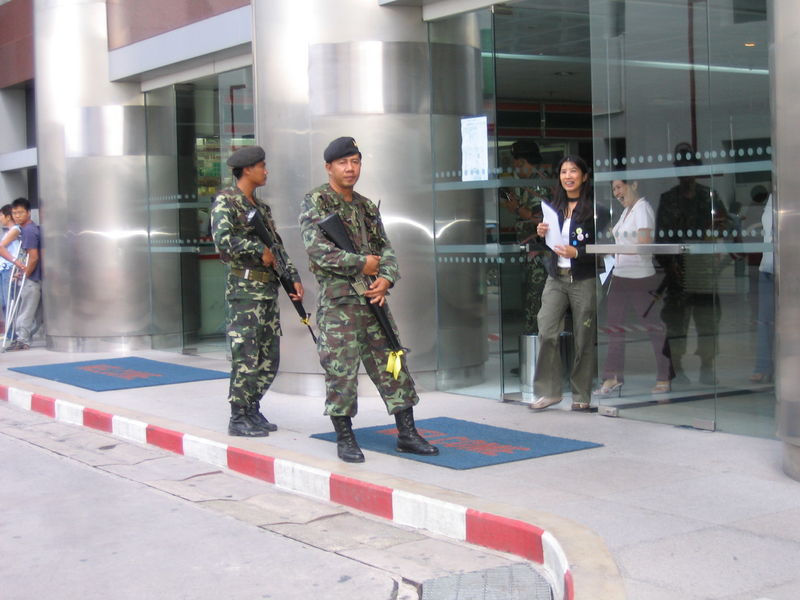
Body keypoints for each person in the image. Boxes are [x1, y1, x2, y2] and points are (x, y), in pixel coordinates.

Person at [299, 136, 439, 463]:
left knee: (393, 365)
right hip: (339, 307)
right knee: (341, 372)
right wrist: (362, 264)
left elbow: (385, 246)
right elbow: (318, 251)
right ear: (328, 167)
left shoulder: (365, 206)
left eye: (356, 162)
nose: (350, 168)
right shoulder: (316, 201)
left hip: (373, 301)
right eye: (343, 163)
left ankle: (407, 433)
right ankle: (345, 438)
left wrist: (386, 277)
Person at [210, 145, 305, 437]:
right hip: (245, 293)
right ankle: (238, 417)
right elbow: (222, 241)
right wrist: (255, 249)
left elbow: (275, 247)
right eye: (262, 166)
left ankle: (252, 408)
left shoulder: (262, 208)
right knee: (246, 356)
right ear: (248, 169)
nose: (266, 171)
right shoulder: (227, 201)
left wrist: (293, 277)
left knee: (268, 356)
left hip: (267, 291)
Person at [656, 143, 734, 385]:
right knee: (676, 323)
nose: (686, 171)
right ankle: (676, 369)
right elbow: (660, 239)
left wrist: (720, 230)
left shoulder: (709, 196)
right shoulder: (668, 199)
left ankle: (707, 367)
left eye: (690, 166)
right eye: (682, 167)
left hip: (703, 269)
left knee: (708, 320)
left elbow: (725, 225)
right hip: (678, 270)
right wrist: (670, 266)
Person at [530, 155, 600, 412]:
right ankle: (549, 392)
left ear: (584, 176)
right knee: (546, 330)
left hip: (583, 279)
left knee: (584, 338)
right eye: (563, 172)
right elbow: (551, 243)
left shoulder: (594, 209)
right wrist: (541, 234)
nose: (568, 176)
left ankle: (582, 394)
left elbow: (604, 246)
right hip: (555, 278)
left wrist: (578, 253)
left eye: (573, 171)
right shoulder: (554, 207)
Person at [595, 180, 672, 396]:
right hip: (620, 275)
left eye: (620, 187)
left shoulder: (643, 209)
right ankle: (612, 376)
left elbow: (644, 244)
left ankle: (664, 376)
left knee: (653, 327)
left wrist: (616, 249)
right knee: (614, 327)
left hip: (640, 277)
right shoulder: (626, 212)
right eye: (614, 190)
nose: (617, 193)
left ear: (634, 185)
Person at [500, 141, 549, 335]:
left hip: (540, 255)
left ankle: (536, 352)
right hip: (529, 254)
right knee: (530, 299)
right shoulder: (525, 185)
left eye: (520, 165)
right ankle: (532, 353)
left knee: (535, 301)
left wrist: (517, 208)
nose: (517, 169)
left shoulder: (538, 183)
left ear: (530, 162)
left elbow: (538, 217)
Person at [3, 198, 42, 351]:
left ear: (28, 213)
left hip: (32, 277)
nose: (17, 216)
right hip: (35, 276)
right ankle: (25, 338)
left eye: (20, 213)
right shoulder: (26, 229)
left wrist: (25, 272)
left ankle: (22, 340)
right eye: (14, 213)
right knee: (33, 310)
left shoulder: (29, 231)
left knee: (26, 309)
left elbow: (33, 256)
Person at [751, 193, 774, 383]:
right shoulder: (772, 198)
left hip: (789, 268)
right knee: (764, 320)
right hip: (767, 267)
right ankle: (763, 365)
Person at [0, 204, 23, 326]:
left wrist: (15, 262)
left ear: (8, 217)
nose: (0, 218)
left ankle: (13, 331)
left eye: (1, 215)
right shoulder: (8, 231)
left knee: (9, 301)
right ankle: (10, 332)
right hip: (3, 269)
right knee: (3, 302)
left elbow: (1, 247)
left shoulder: (15, 229)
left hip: (9, 269)